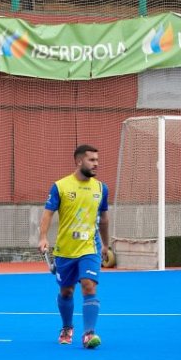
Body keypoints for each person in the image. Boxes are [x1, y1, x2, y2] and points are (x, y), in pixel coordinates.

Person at [38, 144, 110, 349]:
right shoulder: (60, 186)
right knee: (66, 292)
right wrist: (43, 237)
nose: (96, 164)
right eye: (92, 160)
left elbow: (104, 218)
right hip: (65, 249)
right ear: (79, 161)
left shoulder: (101, 188)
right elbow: (48, 213)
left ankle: (89, 334)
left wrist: (105, 244)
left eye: (97, 160)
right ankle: (67, 327)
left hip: (90, 247)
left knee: (89, 285)